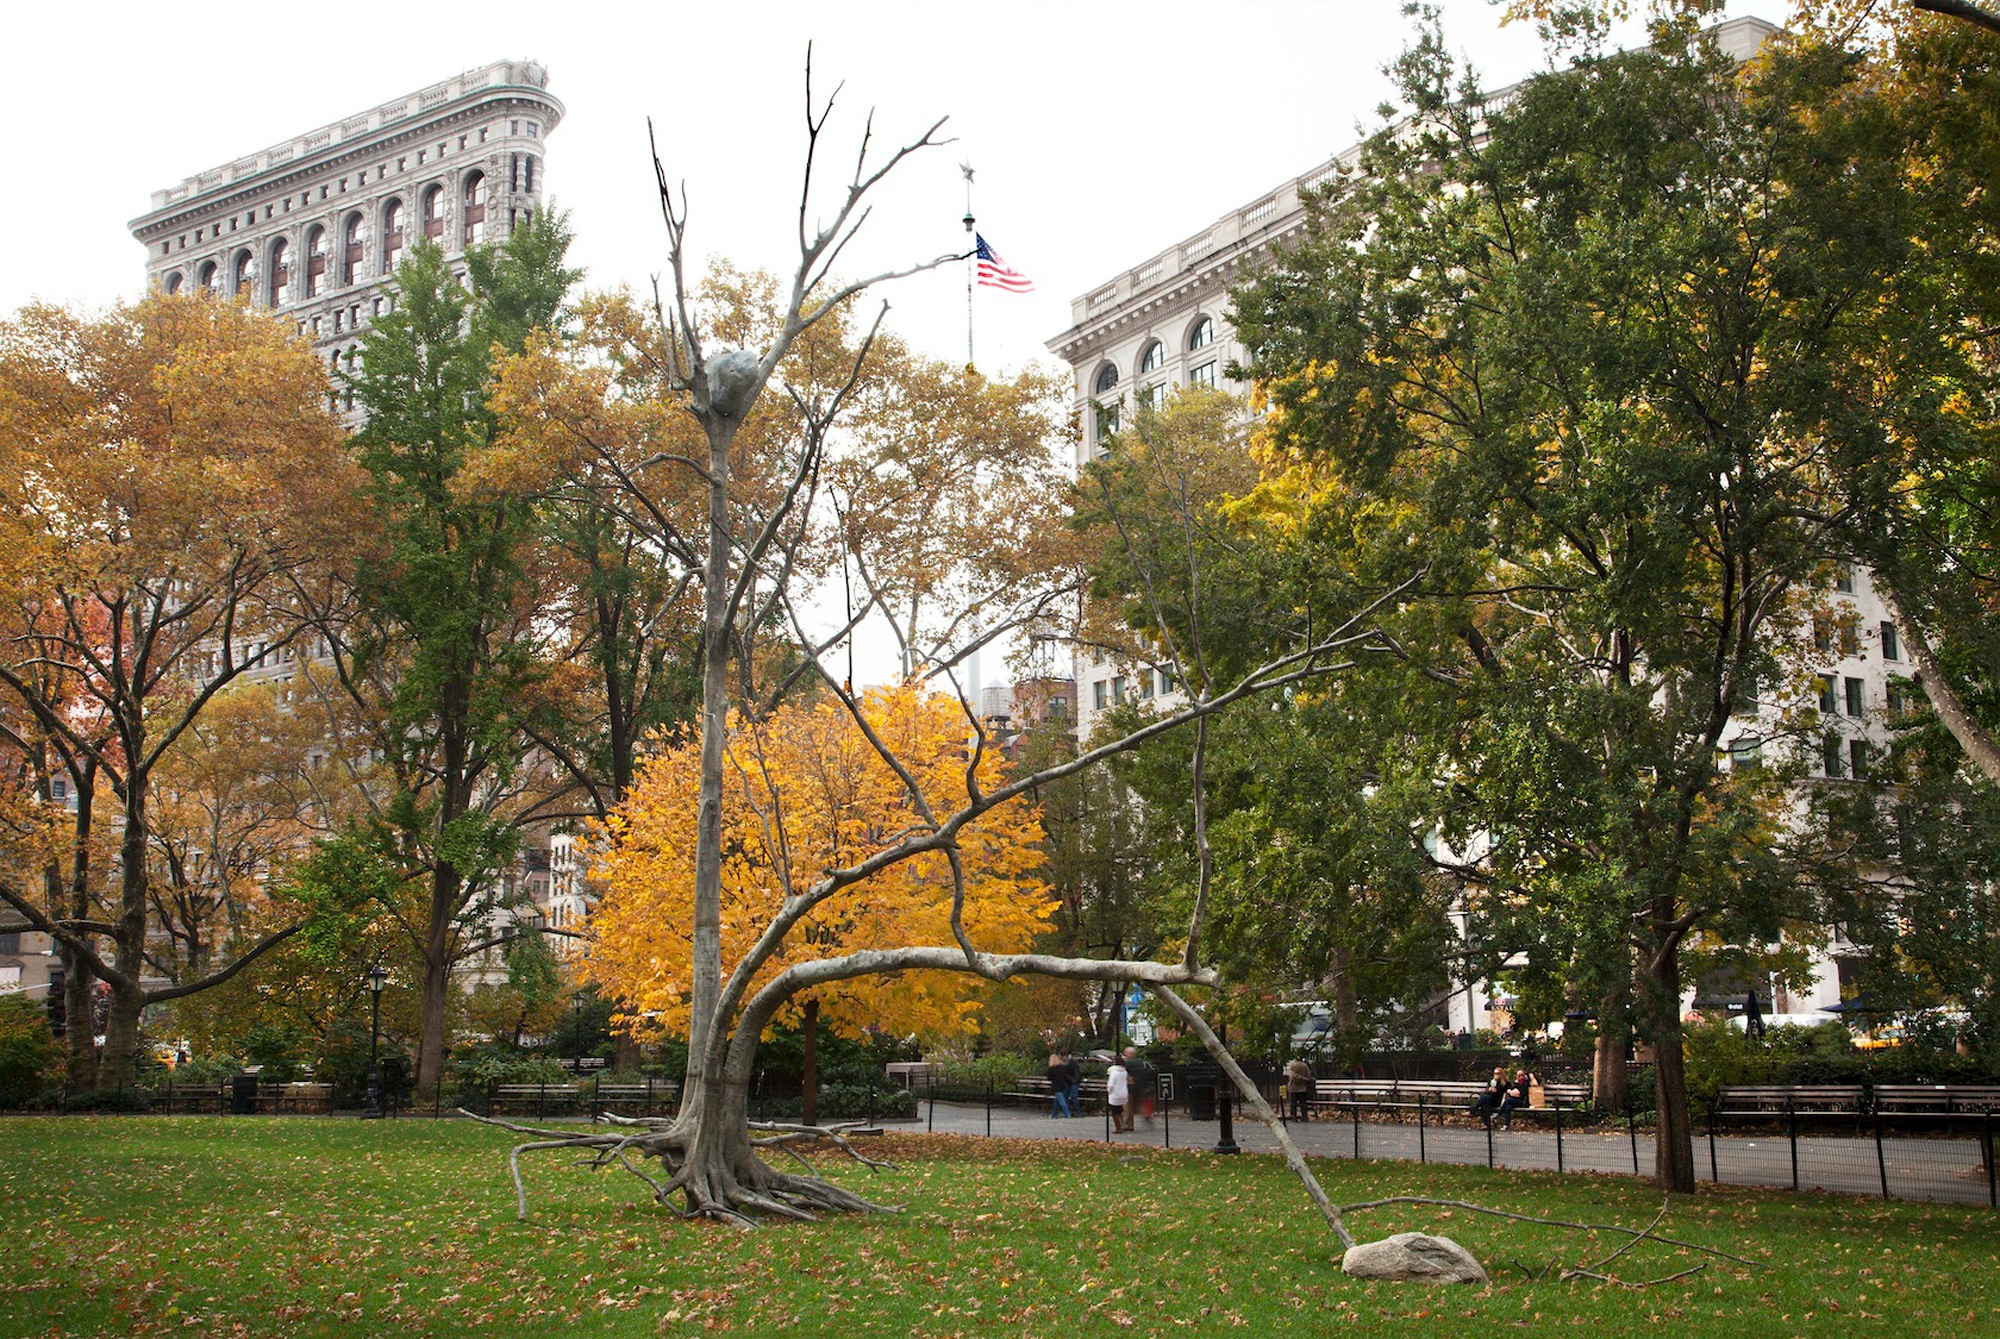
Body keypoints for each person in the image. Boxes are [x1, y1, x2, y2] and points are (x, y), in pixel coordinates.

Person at [1122, 1047, 1155, 1127]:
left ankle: (1128, 1125)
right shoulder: (1141, 1062)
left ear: (1130, 1054)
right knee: (1140, 1104)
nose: (1125, 1054)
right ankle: (1147, 1115)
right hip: (1142, 1087)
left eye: (1126, 1053)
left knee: (1128, 1106)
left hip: (1131, 1087)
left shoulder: (1129, 1063)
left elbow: (1122, 1072)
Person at [1286, 1056, 1314, 1122]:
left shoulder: (1292, 1065)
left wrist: (1299, 1078)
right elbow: (1309, 1076)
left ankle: (1294, 1117)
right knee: (1303, 1103)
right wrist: (1305, 1079)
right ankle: (1304, 1117)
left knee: (1293, 1103)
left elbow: (1292, 1076)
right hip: (1303, 1087)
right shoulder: (1305, 1066)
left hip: (1293, 1087)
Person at [1106, 1055, 1131, 1132]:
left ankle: (1118, 1127)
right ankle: (1123, 1124)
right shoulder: (1124, 1071)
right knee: (1120, 1111)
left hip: (1115, 1094)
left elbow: (1111, 1084)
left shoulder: (1114, 1072)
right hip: (1123, 1093)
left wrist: (1108, 1091)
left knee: (1114, 1112)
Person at [1046, 1052, 1071, 1119]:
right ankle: (1054, 1114)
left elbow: (1049, 1077)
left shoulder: (1052, 1069)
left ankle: (1067, 1114)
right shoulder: (1063, 1067)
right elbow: (1066, 1077)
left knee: (1062, 1101)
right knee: (1056, 1101)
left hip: (1056, 1086)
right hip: (1063, 1085)